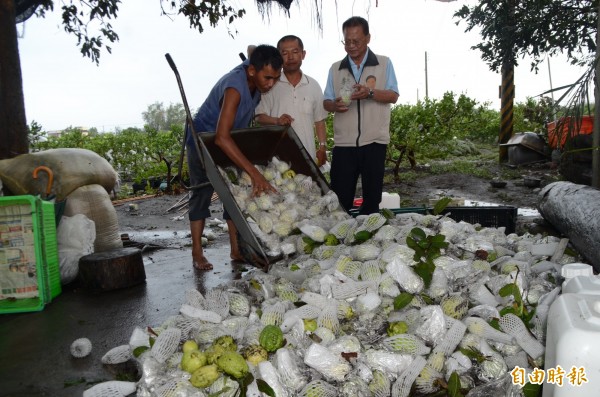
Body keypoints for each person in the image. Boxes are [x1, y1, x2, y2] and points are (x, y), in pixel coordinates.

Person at [187, 45, 283, 270]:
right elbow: (220, 137)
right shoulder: (235, 88)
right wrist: (255, 173)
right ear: (252, 71)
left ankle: (235, 249)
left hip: (228, 142)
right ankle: (197, 252)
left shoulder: (255, 77)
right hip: (204, 142)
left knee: (234, 194)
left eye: (275, 79)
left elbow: (252, 49)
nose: (270, 83)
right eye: (267, 77)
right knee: (201, 194)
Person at [323, 16, 399, 215]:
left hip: (374, 142)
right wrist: (334, 105)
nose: (351, 45)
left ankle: (368, 240)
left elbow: (393, 95)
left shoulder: (383, 63)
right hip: (344, 144)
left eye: (356, 41)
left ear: (368, 38)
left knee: (371, 201)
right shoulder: (335, 68)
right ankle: (339, 241)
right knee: (339, 200)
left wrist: (370, 93)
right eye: (346, 41)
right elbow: (326, 101)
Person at [254, 35, 328, 166]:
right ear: (278, 57)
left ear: (303, 54)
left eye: (295, 52)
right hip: (277, 160)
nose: (291, 57)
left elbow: (319, 120)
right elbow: (259, 117)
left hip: (307, 157)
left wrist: (322, 147)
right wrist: (277, 120)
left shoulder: (313, 85)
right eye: (284, 53)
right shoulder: (270, 84)